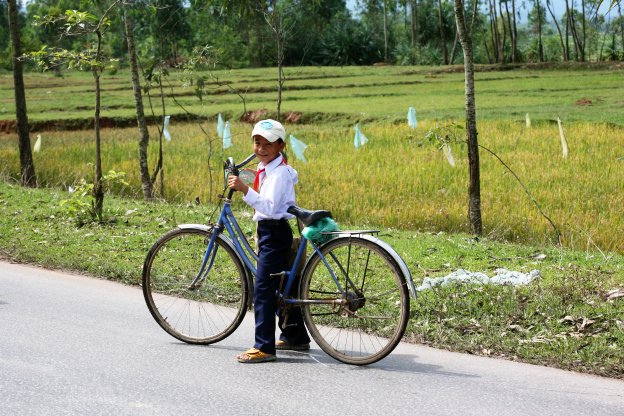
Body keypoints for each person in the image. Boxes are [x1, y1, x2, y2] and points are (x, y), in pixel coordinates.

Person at [228, 119, 311, 364]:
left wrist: (244, 189)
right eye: (257, 142)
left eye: (268, 144)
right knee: (284, 284)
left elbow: (271, 208)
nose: (261, 149)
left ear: (281, 146)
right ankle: (294, 335)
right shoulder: (270, 169)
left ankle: (263, 347)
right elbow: (261, 182)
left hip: (273, 233)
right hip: (271, 232)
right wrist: (243, 177)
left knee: (263, 290)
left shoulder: (279, 175)